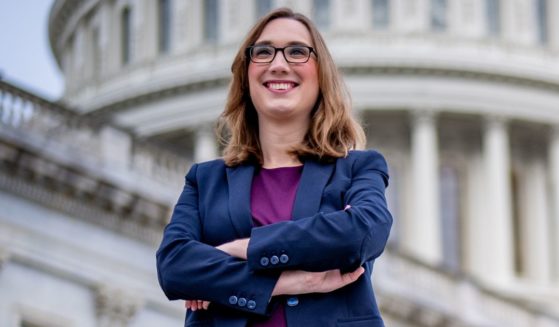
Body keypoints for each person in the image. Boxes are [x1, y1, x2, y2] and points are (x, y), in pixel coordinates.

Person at [156, 7, 392, 327]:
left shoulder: (358, 169)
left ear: (321, 75)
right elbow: (174, 266)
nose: (279, 64)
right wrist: (289, 283)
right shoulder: (206, 180)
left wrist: (243, 249)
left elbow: (363, 232)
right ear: (245, 76)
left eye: (297, 52)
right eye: (264, 52)